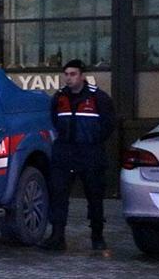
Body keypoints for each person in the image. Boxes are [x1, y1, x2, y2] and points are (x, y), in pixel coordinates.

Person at [40, 59, 115, 251]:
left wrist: (93, 140)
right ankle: (57, 237)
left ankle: (97, 236)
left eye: (73, 74)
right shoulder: (59, 98)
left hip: (90, 152)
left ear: (82, 76)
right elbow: (54, 121)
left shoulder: (98, 98)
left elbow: (108, 125)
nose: (69, 78)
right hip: (65, 152)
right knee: (59, 195)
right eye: (66, 74)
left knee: (94, 197)